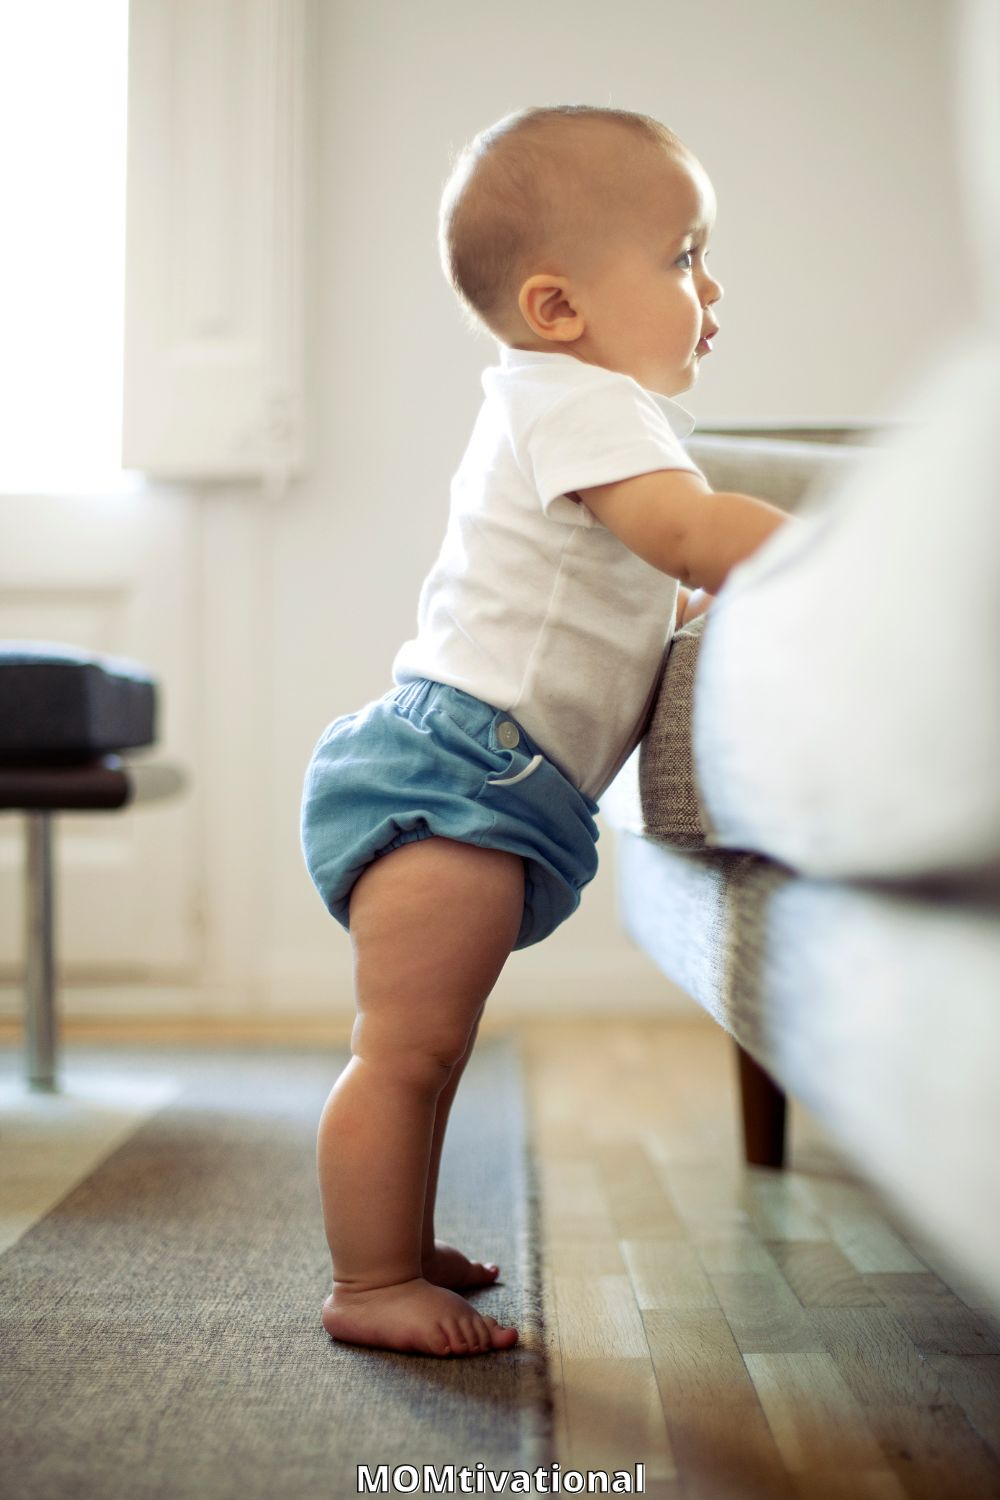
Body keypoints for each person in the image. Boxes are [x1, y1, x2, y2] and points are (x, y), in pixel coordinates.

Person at [300, 104, 791, 1357]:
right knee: (405, 1053)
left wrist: (676, 594)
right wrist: (822, 554)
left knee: (432, 1053)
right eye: (683, 256)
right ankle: (366, 1287)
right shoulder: (585, 403)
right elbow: (685, 532)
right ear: (560, 307)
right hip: (459, 777)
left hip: (481, 776)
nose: (709, 284)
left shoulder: (565, 410)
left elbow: (631, 576)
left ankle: (395, 1245)